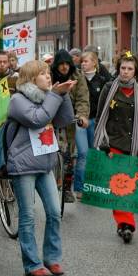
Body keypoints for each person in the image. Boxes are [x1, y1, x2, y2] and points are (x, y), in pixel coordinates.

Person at [5, 60, 75, 276]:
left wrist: (63, 95)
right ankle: (32, 263)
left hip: (44, 164)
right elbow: (38, 119)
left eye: (48, 73)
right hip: (24, 164)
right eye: (43, 74)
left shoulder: (49, 97)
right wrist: (55, 96)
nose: (48, 76)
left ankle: (52, 258)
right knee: (27, 216)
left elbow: (64, 119)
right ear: (31, 78)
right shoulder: (18, 100)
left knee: (55, 212)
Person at [94, 52, 138, 243]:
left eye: (130, 69)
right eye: (123, 68)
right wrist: (103, 143)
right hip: (114, 143)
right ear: (118, 69)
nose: (126, 72)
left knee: (130, 186)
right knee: (119, 185)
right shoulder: (109, 88)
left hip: (135, 144)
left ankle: (123, 223)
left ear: (135, 71)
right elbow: (100, 117)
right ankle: (125, 223)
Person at [51, 49, 90, 203]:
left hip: (69, 120)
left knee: (69, 156)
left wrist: (82, 115)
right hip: (50, 118)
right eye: (61, 64)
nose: (64, 67)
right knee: (49, 154)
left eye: (67, 64)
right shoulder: (50, 74)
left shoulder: (78, 76)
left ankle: (67, 188)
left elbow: (83, 98)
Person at [74, 51, 112, 198]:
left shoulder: (102, 80)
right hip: (80, 120)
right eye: (82, 61)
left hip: (95, 121)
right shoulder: (78, 79)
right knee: (82, 153)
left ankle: (92, 185)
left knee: (93, 153)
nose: (83, 63)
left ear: (94, 63)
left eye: (86, 61)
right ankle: (79, 188)